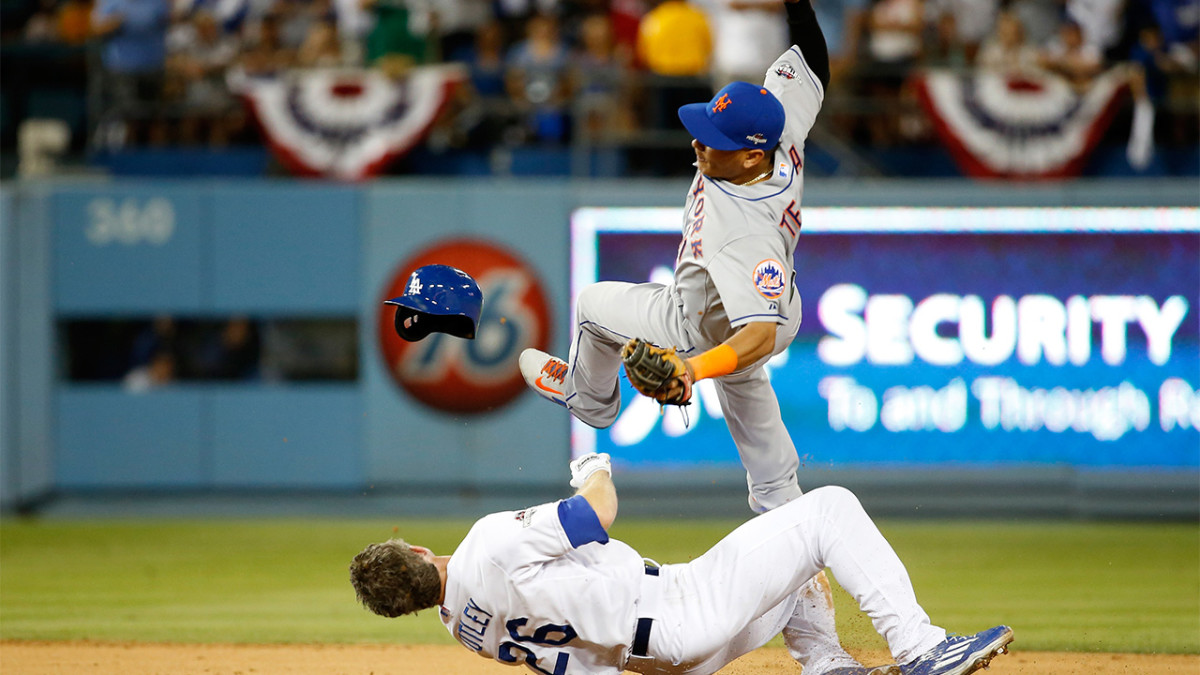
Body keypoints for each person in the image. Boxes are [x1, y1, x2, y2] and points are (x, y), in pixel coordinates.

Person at [520, 1, 852, 668]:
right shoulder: (779, 124)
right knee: (781, 497)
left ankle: (591, 401)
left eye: (712, 143)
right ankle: (825, 658)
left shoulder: (741, 226)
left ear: (751, 153)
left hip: (705, 325)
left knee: (591, 304)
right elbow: (814, 61)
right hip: (761, 308)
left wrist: (690, 369)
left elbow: (754, 338)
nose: (698, 145)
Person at [350, 452, 1015, 675]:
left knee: (793, 563)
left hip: (666, 659)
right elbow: (596, 511)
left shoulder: (459, 626)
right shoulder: (485, 543)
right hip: (678, 607)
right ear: (412, 550)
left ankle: (829, 665)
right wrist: (592, 460)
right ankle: (922, 648)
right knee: (828, 510)